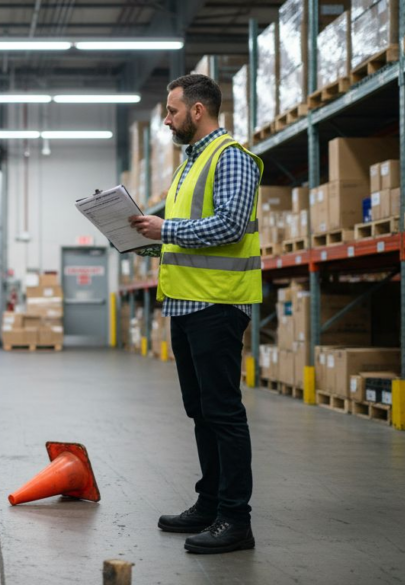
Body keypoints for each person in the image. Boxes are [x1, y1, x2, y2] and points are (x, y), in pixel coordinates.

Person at [128, 73, 263, 555]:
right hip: (186, 303)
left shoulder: (231, 158)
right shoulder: (190, 163)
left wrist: (165, 229)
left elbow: (226, 225)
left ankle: (235, 519)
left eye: (172, 111)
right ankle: (209, 504)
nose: (167, 119)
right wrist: (141, 238)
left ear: (198, 111)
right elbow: (183, 233)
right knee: (200, 410)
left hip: (218, 302)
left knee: (224, 413)